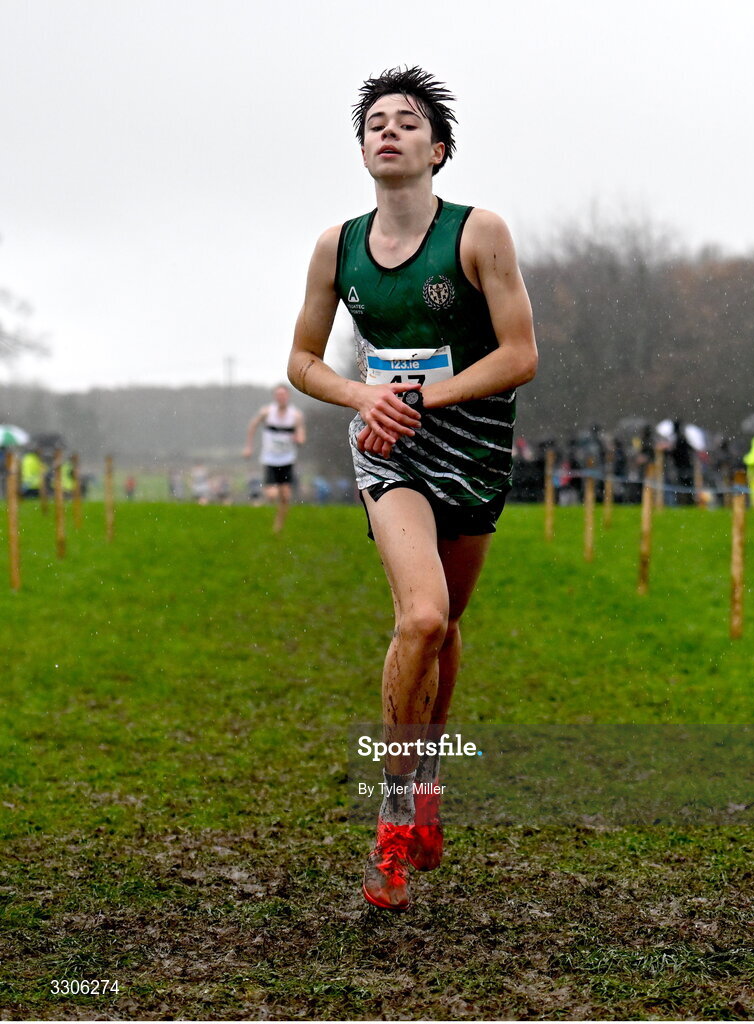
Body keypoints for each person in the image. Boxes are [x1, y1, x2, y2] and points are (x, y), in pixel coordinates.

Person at [287, 67, 537, 910]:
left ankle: (426, 777)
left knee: (449, 622)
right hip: (386, 449)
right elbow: (302, 362)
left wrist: (424, 395)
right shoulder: (337, 246)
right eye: (374, 125)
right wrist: (365, 398)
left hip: (469, 441)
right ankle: (393, 813)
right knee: (421, 615)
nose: (387, 133)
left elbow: (518, 355)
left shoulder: (478, 233)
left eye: (406, 123)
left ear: (438, 149)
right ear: (362, 150)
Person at [243, 384, 306, 532]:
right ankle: (264, 505)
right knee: (272, 495)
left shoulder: (295, 415)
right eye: (278, 395)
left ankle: (278, 525)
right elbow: (252, 426)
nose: (281, 397)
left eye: (283, 395)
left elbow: (301, 432)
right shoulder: (267, 412)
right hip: (270, 459)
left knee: (285, 497)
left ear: (288, 396)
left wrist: (300, 439)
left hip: (287, 459)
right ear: (275, 397)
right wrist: (249, 447)